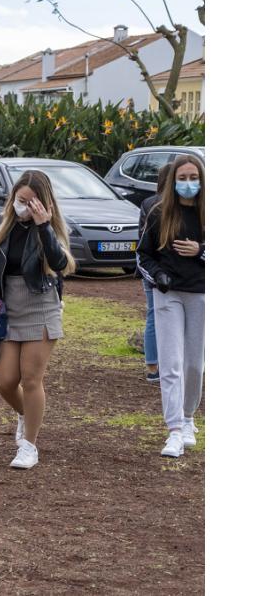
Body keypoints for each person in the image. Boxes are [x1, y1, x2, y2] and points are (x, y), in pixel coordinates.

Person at [0, 170, 76, 470]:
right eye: (20, 200)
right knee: (6, 383)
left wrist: (43, 225)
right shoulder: (0, 225)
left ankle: (29, 446)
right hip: (9, 306)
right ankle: (25, 413)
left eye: (31, 202)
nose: (24, 207)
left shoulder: (52, 229)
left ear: (43, 203)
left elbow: (60, 263)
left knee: (31, 378)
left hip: (41, 305)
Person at [136, 155, 205, 458]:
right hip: (168, 294)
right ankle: (174, 429)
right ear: (172, 180)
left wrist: (200, 250)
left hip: (201, 293)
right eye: (182, 178)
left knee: (194, 363)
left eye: (193, 177)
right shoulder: (158, 212)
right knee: (171, 362)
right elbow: (143, 254)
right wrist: (158, 276)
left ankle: (188, 417)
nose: (188, 183)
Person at [137, 163, 172, 384]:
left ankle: (153, 366)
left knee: (153, 315)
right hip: (158, 269)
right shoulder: (154, 205)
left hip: (151, 268)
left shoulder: (148, 203)